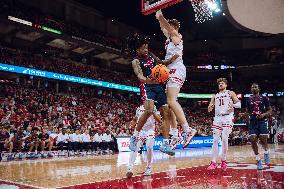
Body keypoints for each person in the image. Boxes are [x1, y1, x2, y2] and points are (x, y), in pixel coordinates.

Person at [128, 33, 178, 156]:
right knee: (149, 110)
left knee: (166, 112)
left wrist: (171, 60)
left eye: (147, 47)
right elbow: (140, 77)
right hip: (146, 86)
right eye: (143, 48)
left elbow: (161, 62)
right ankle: (134, 137)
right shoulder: (135, 61)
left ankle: (165, 143)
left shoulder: (151, 55)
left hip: (157, 86)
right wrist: (150, 80)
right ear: (137, 49)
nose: (146, 49)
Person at [156, 10, 197, 149]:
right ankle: (175, 134)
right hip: (170, 70)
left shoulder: (176, 35)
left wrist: (161, 16)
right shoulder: (169, 38)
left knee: (171, 101)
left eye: (169, 27)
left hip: (177, 69)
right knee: (169, 105)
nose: (166, 30)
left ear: (174, 27)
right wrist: (158, 17)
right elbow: (163, 27)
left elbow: (166, 27)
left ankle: (187, 129)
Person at [207, 78, 241, 171]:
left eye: (222, 83)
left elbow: (239, 104)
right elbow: (209, 109)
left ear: (226, 85)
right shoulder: (215, 95)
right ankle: (213, 162)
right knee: (215, 140)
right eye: (219, 84)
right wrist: (210, 107)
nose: (220, 85)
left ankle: (223, 160)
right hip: (217, 118)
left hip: (228, 117)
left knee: (225, 138)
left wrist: (233, 105)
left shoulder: (230, 93)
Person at [126, 105, 160, 178]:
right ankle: (130, 168)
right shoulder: (139, 108)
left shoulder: (154, 107)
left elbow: (159, 119)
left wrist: (153, 112)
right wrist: (130, 124)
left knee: (149, 146)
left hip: (150, 130)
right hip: (140, 130)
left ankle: (149, 167)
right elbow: (135, 119)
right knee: (134, 148)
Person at [246, 83, 272, 170]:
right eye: (252, 86)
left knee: (263, 139)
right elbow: (248, 111)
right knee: (253, 139)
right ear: (251, 89)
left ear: (259, 88)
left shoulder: (264, 98)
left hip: (262, 120)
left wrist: (263, 114)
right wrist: (245, 115)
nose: (254, 88)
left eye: (255, 86)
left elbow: (270, 110)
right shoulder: (248, 99)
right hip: (253, 121)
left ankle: (266, 152)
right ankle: (258, 160)